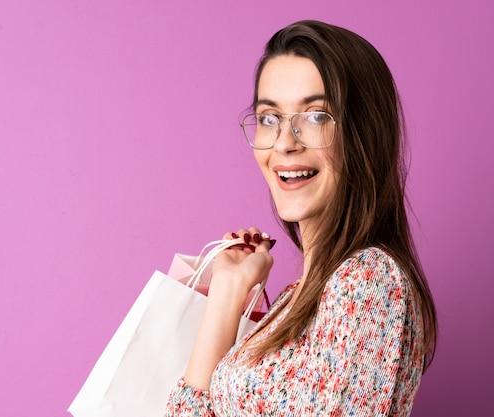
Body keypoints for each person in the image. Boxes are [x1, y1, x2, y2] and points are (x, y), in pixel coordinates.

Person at [164, 20, 437, 417]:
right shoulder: (300, 297)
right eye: (270, 118)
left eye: (315, 116)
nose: (285, 143)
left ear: (366, 134)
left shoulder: (367, 280)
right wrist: (229, 289)